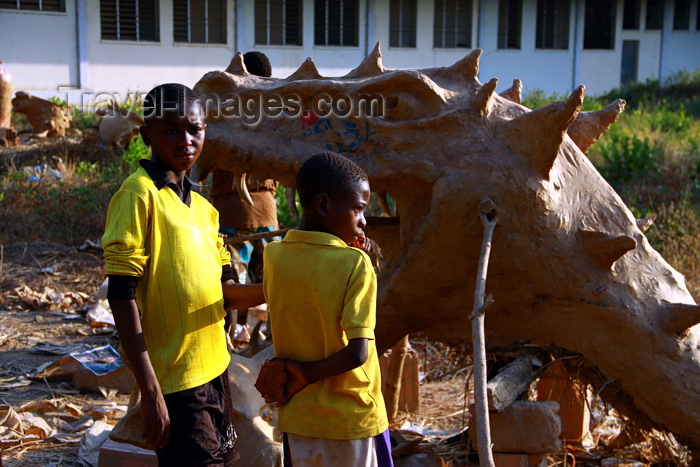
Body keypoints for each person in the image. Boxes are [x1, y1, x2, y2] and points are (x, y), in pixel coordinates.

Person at [102, 83, 265, 466]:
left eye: (195, 129)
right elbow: (121, 295)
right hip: (174, 382)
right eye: (172, 130)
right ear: (147, 135)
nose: (186, 140)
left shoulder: (206, 209)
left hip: (214, 370)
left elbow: (225, 293)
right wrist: (150, 391)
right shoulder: (138, 195)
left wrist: (278, 286)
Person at [260, 152, 393, 466]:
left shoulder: (274, 256)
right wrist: (305, 374)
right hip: (351, 419)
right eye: (358, 209)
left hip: (297, 418)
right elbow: (358, 353)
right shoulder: (355, 263)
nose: (364, 221)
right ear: (323, 206)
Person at [208, 51, 278, 286]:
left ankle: (235, 325)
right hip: (268, 215)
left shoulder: (219, 113)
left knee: (228, 292)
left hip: (229, 215)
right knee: (270, 290)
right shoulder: (276, 115)